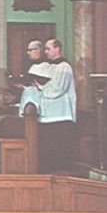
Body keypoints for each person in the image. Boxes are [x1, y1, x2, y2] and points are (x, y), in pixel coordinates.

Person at [21, 39, 77, 173]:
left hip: (61, 114)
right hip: (47, 114)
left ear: (57, 49)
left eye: (48, 49)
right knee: (47, 151)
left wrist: (40, 86)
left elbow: (57, 88)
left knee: (59, 151)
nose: (45, 52)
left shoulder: (64, 67)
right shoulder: (48, 66)